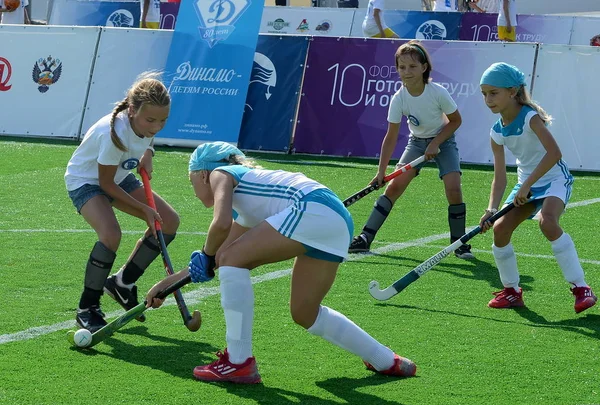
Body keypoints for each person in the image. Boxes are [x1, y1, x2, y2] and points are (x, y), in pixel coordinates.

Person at [145, 142, 417, 384]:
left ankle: (238, 362)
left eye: (191, 179)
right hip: (336, 220)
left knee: (232, 260)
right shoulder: (251, 206)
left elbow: (220, 227)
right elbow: (220, 257)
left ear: (202, 173)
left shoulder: (220, 174)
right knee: (304, 312)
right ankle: (385, 359)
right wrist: (167, 285)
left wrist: (206, 254)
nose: (193, 188)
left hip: (309, 207)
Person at [65, 74, 179, 333]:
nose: (157, 126)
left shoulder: (144, 124)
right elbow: (105, 185)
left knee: (169, 221)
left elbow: (147, 136)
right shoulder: (112, 133)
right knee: (110, 234)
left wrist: (148, 152)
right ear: (132, 110)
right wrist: (143, 208)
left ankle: (122, 283)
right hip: (88, 180)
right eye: (150, 120)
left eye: (163, 120)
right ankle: (87, 308)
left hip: (119, 175)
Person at [479, 62, 597, 313]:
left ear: (512, 92)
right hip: (526, 185)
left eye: (493, 93)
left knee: (548, 221)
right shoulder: (496, 131)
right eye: (484, 94)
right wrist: (491, 208)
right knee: (499, 230)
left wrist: (528, 185)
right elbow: (499, 177)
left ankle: (581, 288)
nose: (488, 99)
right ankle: (512, 291)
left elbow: (554, 153)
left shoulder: (530, 118)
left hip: (553, 178)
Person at [349, 41, 474, 260]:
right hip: (416, 143)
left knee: (453, 189)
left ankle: (460, 243)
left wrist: (436, 143)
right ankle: (365, 238)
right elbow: (391, 137)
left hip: (444, 141)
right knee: (394, 187)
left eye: (413, 67)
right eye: (402, 67)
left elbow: (456, 121)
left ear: (424, 67)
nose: (407, 72)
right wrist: (381, 172)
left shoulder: (437, 92)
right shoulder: (399, 99)